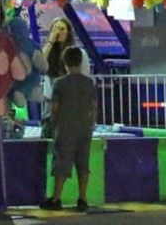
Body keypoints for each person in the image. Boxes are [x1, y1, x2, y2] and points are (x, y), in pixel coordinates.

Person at [41, 45, 97, 211]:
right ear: (80, 62)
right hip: (84, 129)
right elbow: (94, 107)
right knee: (83, 164)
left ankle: (56, 199)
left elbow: (55, 108)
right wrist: (90, 124)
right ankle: (82, 199)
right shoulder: (89, 83)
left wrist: (52, 123)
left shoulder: (59, 83)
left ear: (65, 63)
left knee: (61, 165)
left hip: (65, 128)